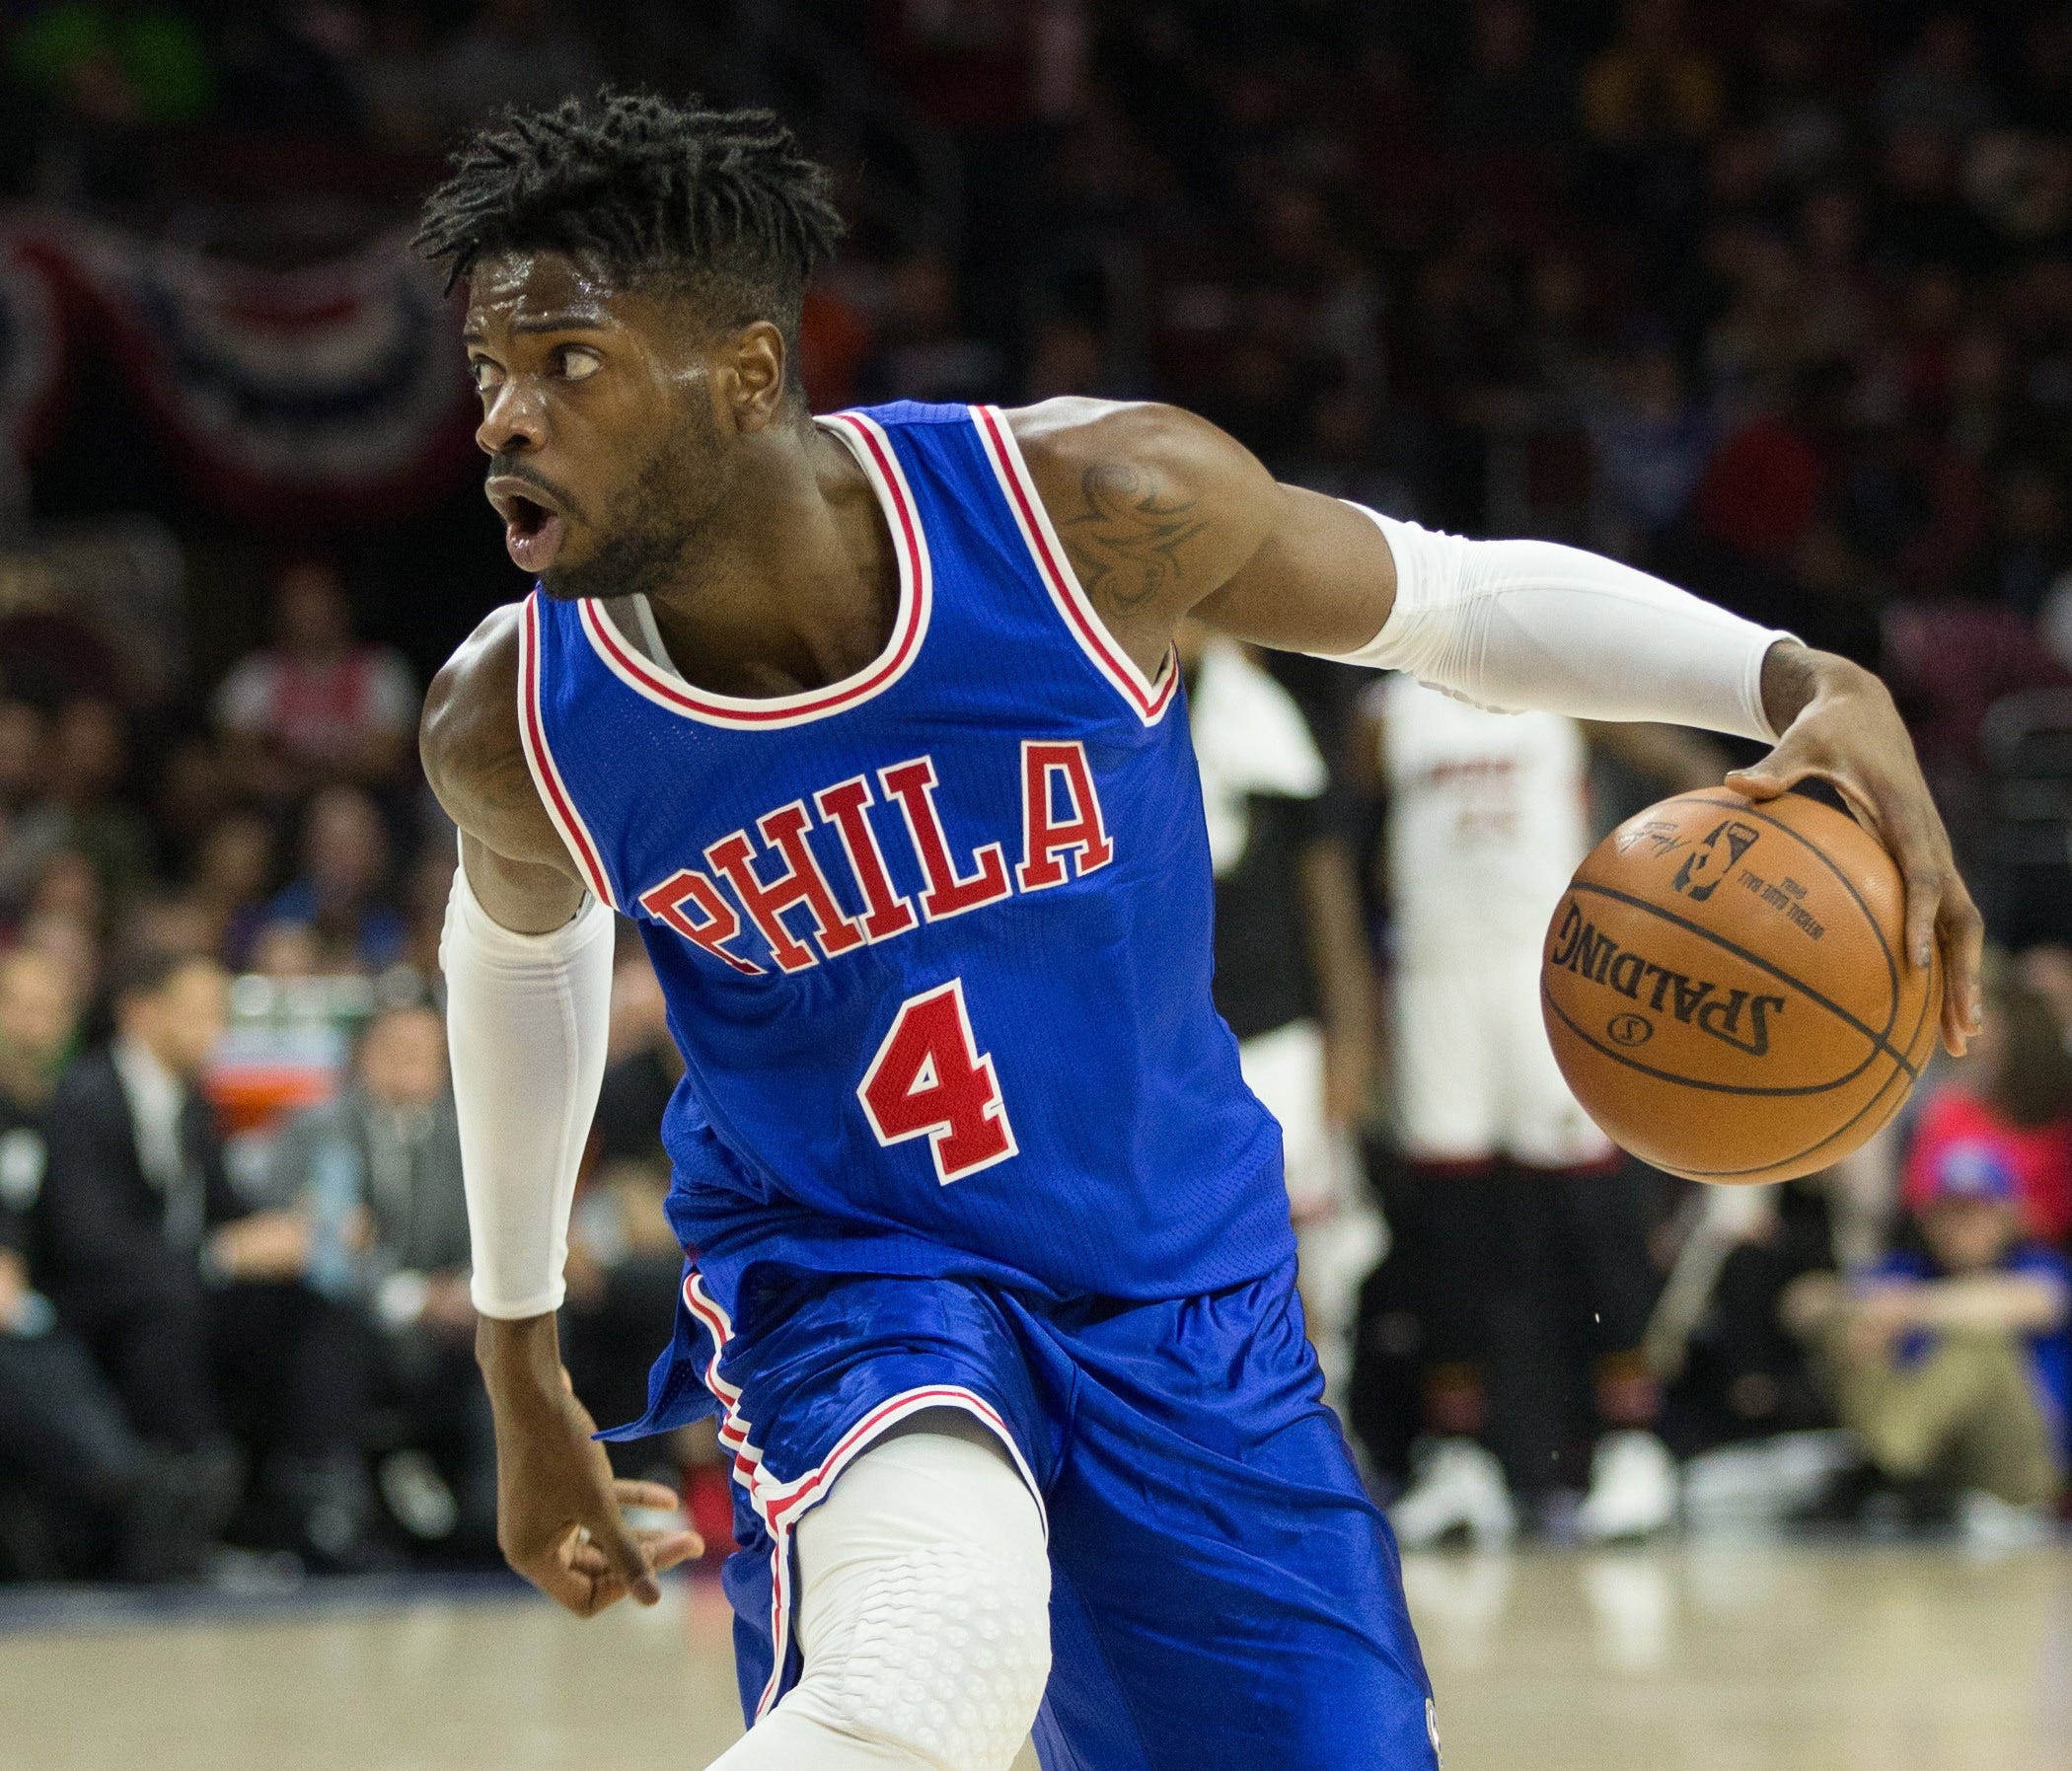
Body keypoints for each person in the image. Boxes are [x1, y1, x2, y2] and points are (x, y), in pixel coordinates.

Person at [413, 93, 1979, 1771]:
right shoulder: (521, 719)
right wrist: (525, 1368)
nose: (506, 420)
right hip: (856, 1273)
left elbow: (1441, 602)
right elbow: (516, 955)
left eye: (566, 363)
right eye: (490, 372)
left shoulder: (1083, 514)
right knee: (926, 1664)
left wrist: (1800, 680)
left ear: (741, 375)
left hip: (1186, 1287)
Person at [1355, 680, 1726, 1545]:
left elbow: (1684, 763)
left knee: (1594, 1214)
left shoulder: (1555, 683)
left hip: (1550, 966)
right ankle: (1458, 1457)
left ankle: (1635, 1446)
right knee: (1448, 1224)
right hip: (1433, 974)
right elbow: (1341, 851)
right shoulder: (1387, 712)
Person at [37, 947, 379, 1569]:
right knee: (170, 1312)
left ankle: (312, 1496)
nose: (214, 1028)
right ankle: (189, 1504)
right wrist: (221, 1252)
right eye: (197, 1011)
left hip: (181, 1288)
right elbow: (89, 1245)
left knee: (316, 1308)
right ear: (140, 1012)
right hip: (104, 1303)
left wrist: (291, 1229)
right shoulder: (86, 1099)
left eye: (219, 1012)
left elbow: (226, 1210)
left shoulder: (193, 1103)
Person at [1178, 619, 1380, 1407]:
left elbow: (1331, 907)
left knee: (1296, 1258)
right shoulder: (1106, 725)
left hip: (1275, 1032)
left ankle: (1315, 1435)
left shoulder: (1267, 721)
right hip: (1163, 1045)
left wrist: (1352, 1041)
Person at [262, 1001, 492, 1558]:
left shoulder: (470, 1138)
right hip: (352, 1314)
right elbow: (322, 1249)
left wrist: (466, 1290)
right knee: (332, 1324)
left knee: (521, 1324)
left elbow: (489, 1235)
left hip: (451, 1318)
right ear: (364, 1056)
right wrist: (411, 1297)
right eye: (398, 1053)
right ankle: (332, 1513)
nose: (413, 1068)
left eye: (427, 1056)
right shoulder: (318, 1131)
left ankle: (500, 1508)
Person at [1785, 1143, 2068, 1544]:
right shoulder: (1908, 1269)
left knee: (1979, 1341)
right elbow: (1803, 1303)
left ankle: (1883, 1464)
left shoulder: (2037, 1263)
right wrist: (1864, 1314)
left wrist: (1910, 1307)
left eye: (1977, 1211)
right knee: (1847, 1326)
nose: (1963, 1225)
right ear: (1927, 1219)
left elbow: (2033, 1302)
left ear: (2007, 1216)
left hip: (2017, 1474)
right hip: (1939, 1468)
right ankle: (1891, 1469)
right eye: (1949, 1212)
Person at [212, 560, 418, 801]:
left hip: (369, 801)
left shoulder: (381, 670)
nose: (310, 609)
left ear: (342, 605)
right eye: (299, 598)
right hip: (275, 804)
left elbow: (386, 758)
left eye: (318, 596)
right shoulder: (255, 674)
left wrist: (302, 768)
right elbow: (237, 758)